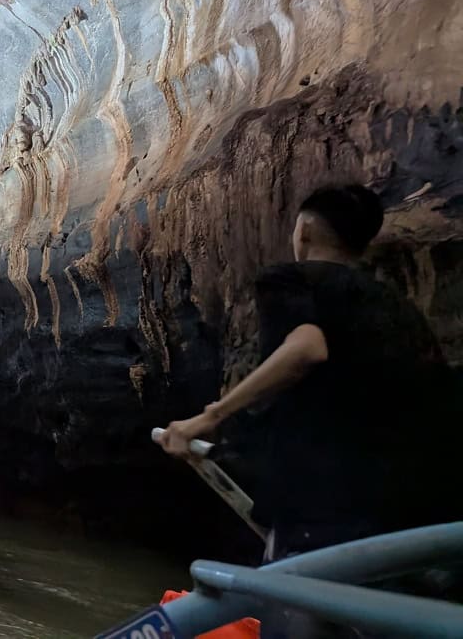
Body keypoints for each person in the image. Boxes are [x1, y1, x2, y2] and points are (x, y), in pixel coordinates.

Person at [158, 184, 459, 635]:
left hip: (320, 509)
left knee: (294, 614)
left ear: (303, 231)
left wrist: (209, 418)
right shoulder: (400, 308)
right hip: (406, 521)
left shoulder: (292, 279)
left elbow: (306, 349)